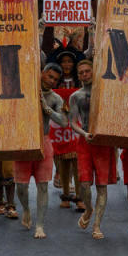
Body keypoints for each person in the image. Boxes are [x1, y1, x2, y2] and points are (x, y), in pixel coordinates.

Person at [15, 63, 66, 239]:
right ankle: (26, 210)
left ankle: (40, 225)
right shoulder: (25, 89)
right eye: (50, 76)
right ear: (42, 73)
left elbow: (64, 121)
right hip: (24, 141)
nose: (52, 81)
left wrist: (46, 108)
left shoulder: (55, 98)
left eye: (55, 79)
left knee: (43, 185)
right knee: (21, 186)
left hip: (44, 142)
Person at [69, 59, 116, 240]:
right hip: (85, 142)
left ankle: (97, 225)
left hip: (103, 143)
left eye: (88, 71)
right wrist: (85, 133)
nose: (84, 75)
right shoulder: (76, 96)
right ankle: (88, 209)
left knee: (102, 187)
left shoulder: (105, 92)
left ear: (93, 72)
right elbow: (73, 122)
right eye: (81, 72)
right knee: (84, 184)